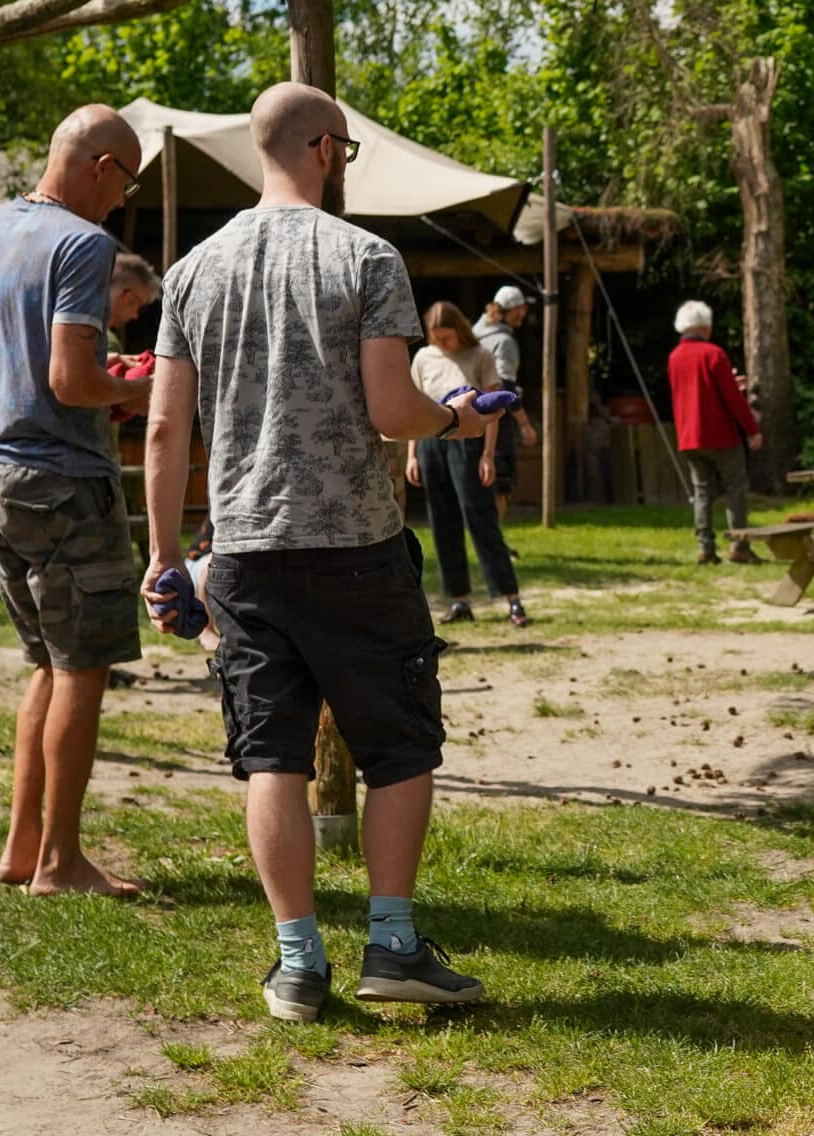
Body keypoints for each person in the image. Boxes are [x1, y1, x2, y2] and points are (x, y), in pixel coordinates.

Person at [142, 81, 491, 1023]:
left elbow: (166, 428)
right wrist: (455, 420)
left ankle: (298, 966)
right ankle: (393, 946)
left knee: (273, 759)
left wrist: (166, 556)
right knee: (400, 748)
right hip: (357, 546)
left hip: (244, 551)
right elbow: (392, 409)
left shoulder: (191, 271)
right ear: (328, 149)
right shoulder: (367, 257)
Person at [0, 104, 152, 898]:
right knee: (82, 669)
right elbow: (71, 381)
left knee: (46, 664)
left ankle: (22, 846)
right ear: (102, 167)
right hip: (63, 484)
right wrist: (134, 392)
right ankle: (61, 864)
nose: (122, 203)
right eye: (125, 185)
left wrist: (94, 381)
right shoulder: (84, 244)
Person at [409, 300, 528, 627]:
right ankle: (459, 600)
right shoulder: (423, 357)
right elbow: (415, 408)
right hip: (431, 444)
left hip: (469, 444)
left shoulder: (481, 355)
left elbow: (494, 412)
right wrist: (412, 455)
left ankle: (512, 599)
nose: (441, 343)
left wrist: (488, 455)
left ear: (460, 330)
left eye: (446, 337)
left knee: (481, 518)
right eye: (436, 337)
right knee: (442, 522)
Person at [665, 300, 762, 565]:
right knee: (735, 489)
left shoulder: (674, 357)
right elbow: (732, 399)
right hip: (720, 435)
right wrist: (752, 430)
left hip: (689, 436)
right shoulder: (714, 353)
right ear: (705, 327)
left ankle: (705, 548)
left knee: (702, 493)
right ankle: (739, 545)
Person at [472, 285, 540, 516]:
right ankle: (496, 533)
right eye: (521, 308)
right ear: (511, 310)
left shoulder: (473, 335)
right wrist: (524, 424)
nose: (524, 313)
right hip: (497, 421)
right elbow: (504, 388)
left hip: (469, 418)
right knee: (500, 481)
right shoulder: (504, 342)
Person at [106, 251, 161, 354]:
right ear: (129, 298)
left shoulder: (78, 325)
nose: (135, 316)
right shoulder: (108, 344)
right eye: (140, 308)